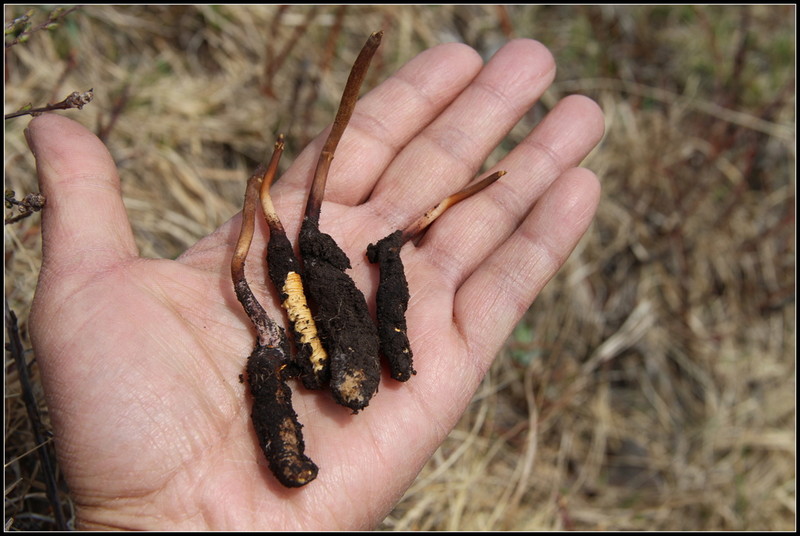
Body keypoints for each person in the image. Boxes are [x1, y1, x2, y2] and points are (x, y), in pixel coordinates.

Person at [24, 38, 603, 530]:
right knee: (307, 267)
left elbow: (343, 324)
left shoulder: (331, 340)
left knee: (316, 269)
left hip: (318, 328)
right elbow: (316, 317)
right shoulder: (308, 332)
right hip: (308, 333)